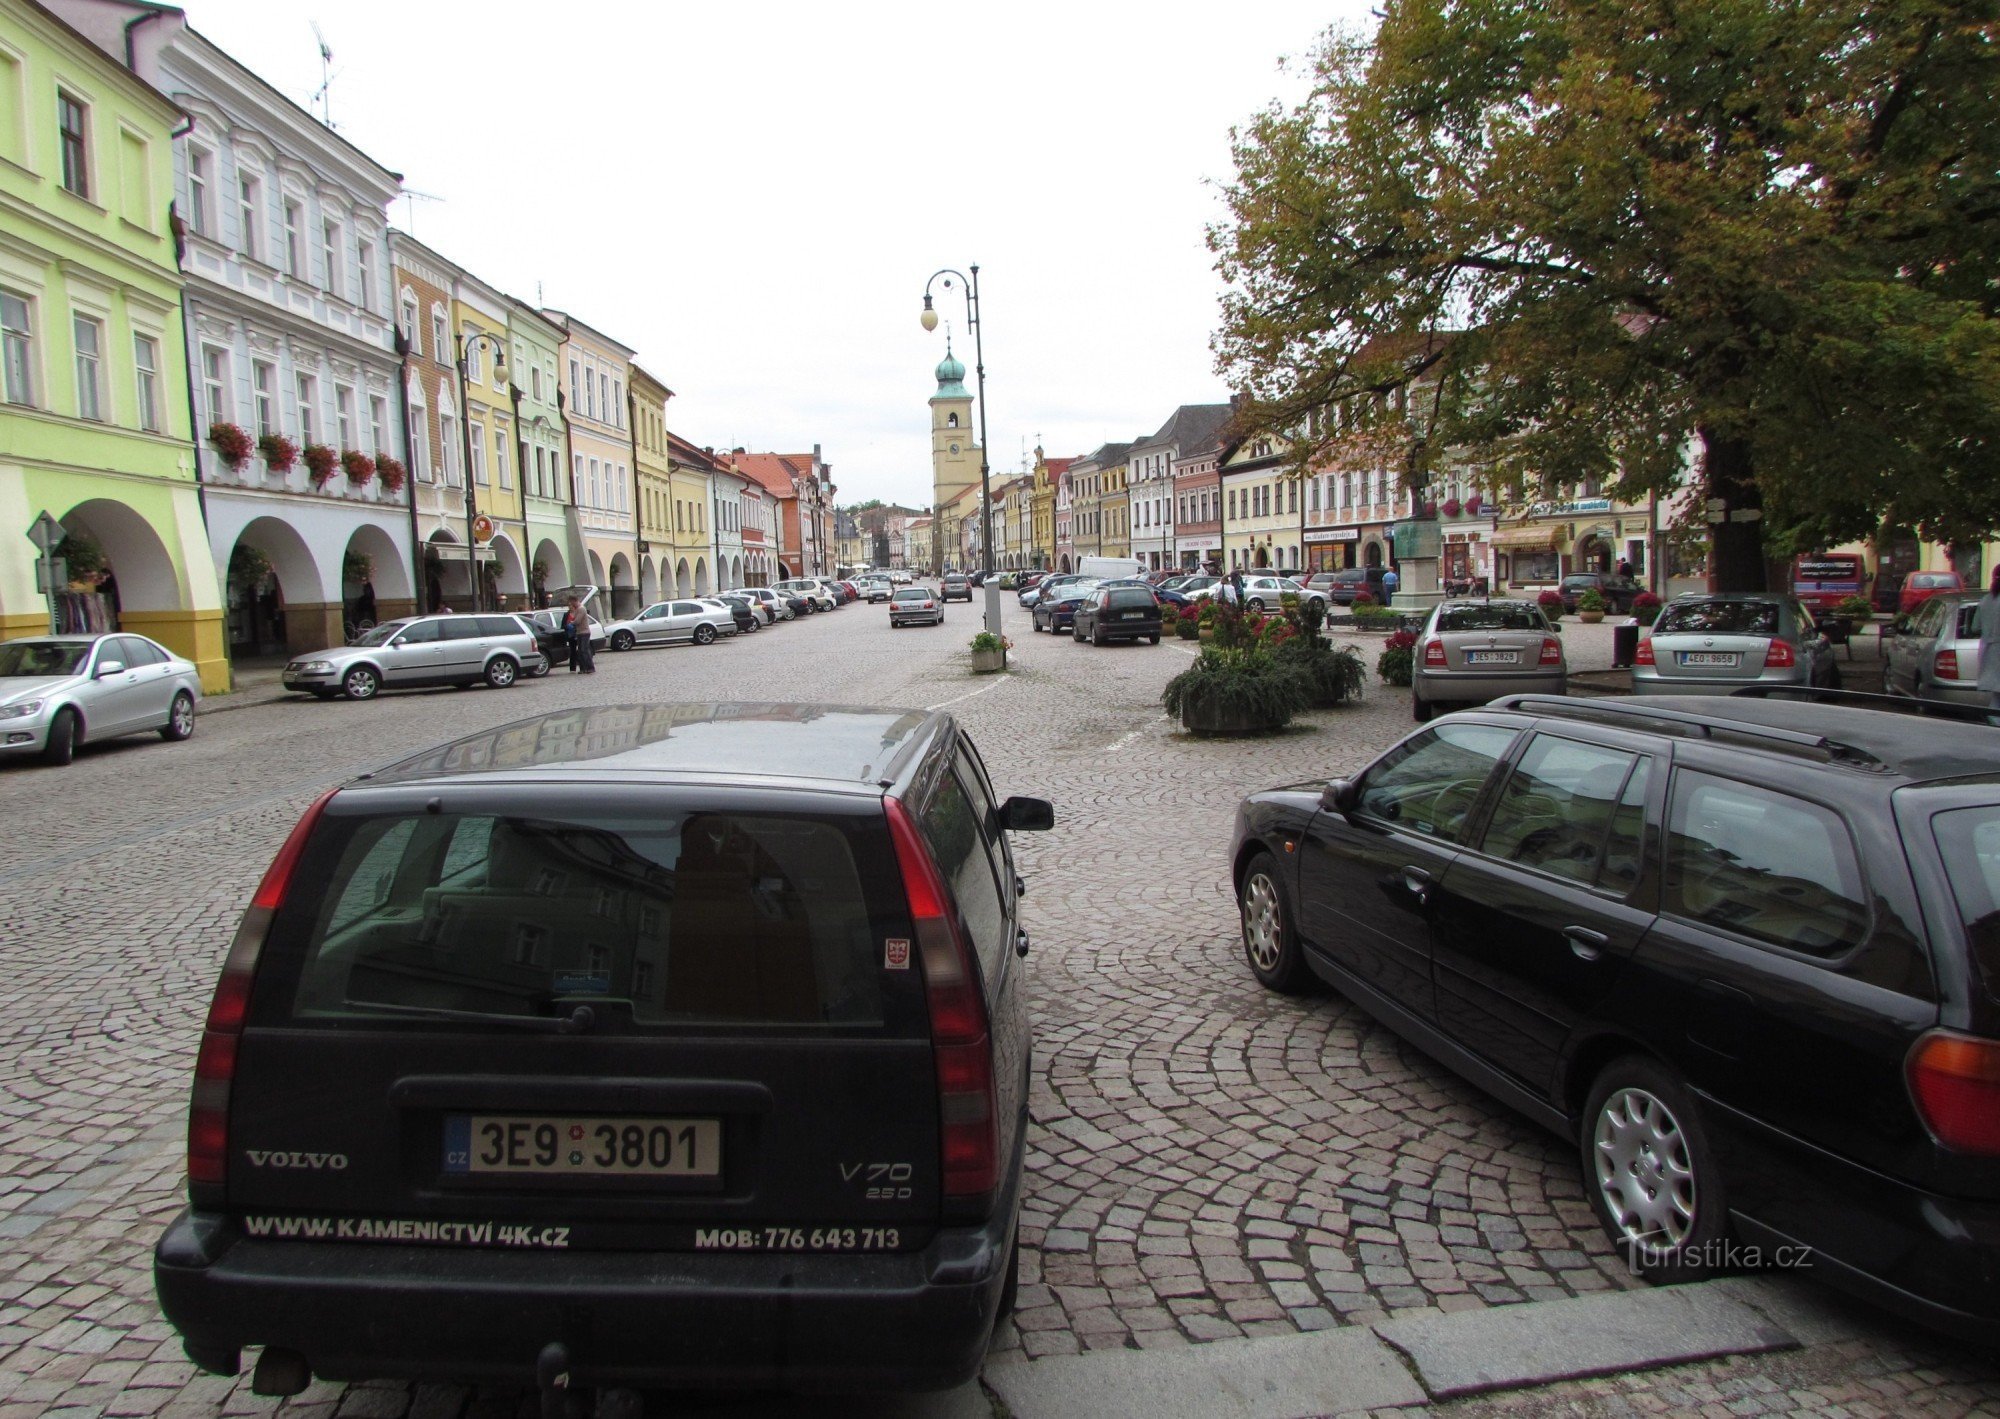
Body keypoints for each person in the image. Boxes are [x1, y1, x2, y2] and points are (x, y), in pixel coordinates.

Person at [1980, 568, 2000, 713]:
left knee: (1996, 694)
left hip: (1989, 650)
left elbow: (1975, 625)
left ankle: (1993, 721)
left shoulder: (1985, 600)